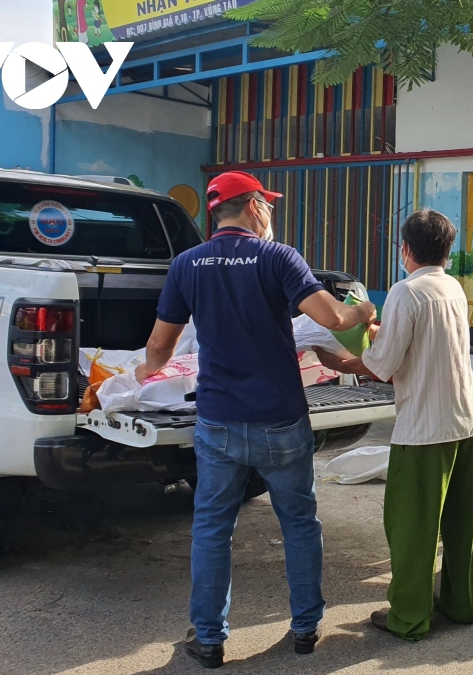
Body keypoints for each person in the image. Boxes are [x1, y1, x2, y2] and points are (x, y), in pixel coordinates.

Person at [137, 170, 376, 668]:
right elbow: (330, 317)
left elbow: (160, 349)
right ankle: (306, 628)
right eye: (267, 205)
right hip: (280, 421)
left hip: (219, 422)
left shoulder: (187, 264)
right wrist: (363, 311)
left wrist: (143, 370)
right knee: (299, 524)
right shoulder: (278, 257)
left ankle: (208, 638)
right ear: (254, 208)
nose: (270, 213)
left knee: (211, 528)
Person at [315, 209, 473, 641]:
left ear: (405, 249)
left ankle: (408, 617)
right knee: (461, 521)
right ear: (448, 249)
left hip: (425, 428)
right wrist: (378, 330)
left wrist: (340, 358)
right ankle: (461, 604)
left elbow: (384, 364)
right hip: (465, 420)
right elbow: (426, 342)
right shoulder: (453, 288)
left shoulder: (405, 292)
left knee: (412, 526)